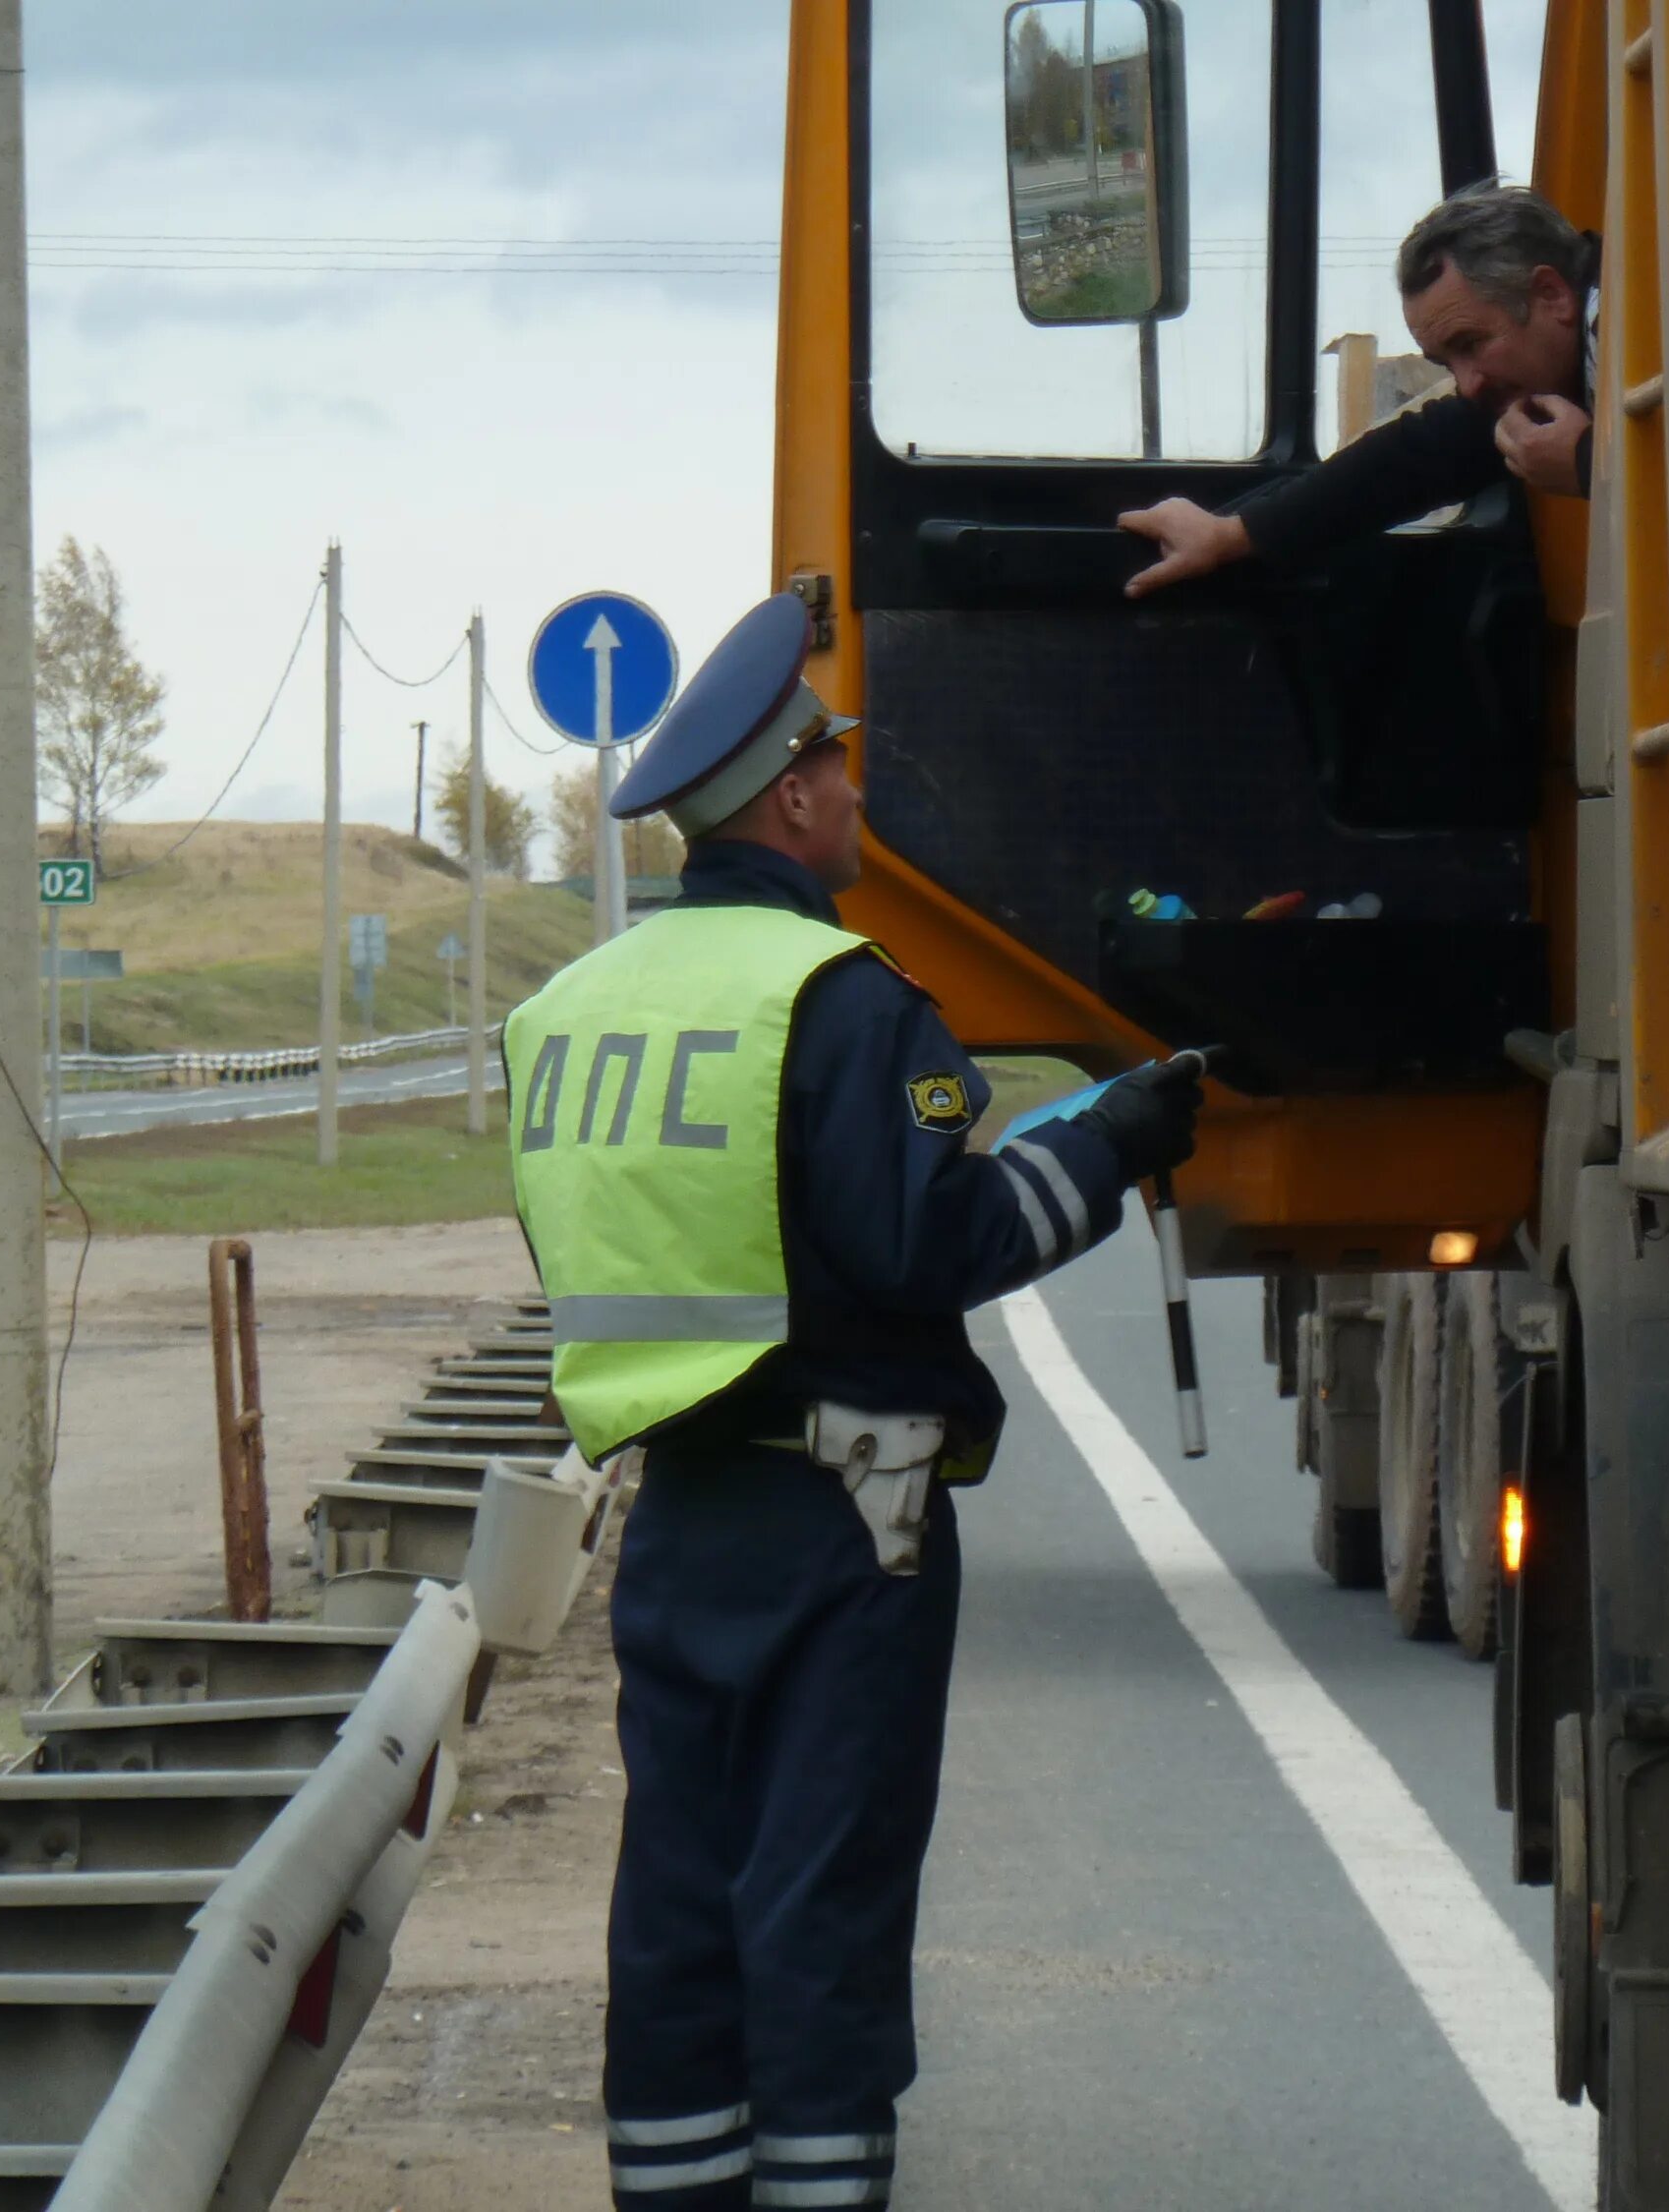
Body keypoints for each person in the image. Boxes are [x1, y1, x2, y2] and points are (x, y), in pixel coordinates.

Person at [501, 590, 1203, 2211]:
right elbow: (934, 1245)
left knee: (678, 1897)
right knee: (818, 1897)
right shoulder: (838, 995)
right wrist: (1108, 1145)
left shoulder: (569, 1016)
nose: (859, 796)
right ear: (797, 795)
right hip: (860, 1490)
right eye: (842, 768)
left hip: (677, 1506)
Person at [1117, 182, 1598, 600]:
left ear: (1551, 296)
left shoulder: (1644, 325)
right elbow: (1411, 460)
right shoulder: (1531, 387)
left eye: (1471, 344)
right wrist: (1229, 535)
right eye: (1447, 364)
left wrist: (1588, 464)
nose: (1468, 385)